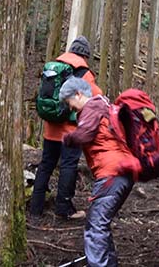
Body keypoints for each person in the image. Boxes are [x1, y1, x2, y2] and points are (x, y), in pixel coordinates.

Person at [61, 77, 139, 267]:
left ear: (78, 95)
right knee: (100, 223)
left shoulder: (92, 108)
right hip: (122, 170)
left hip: (111, 172)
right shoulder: (103, 105)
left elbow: (83, 134)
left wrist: (68, 138)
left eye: (69, 102)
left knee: (96, 226)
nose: (70, 109)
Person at [30, 36, 102, 219]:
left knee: (46, 164)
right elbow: (95, 96)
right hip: (69, 130)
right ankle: (64, 209)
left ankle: (35, 207)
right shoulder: (83, 72)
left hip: (50, 128)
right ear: (85, 54)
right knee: (68, 166)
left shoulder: (53, 68)